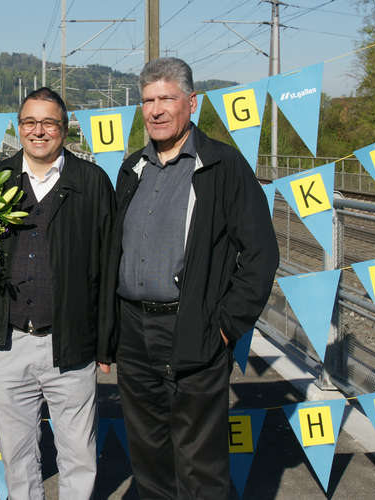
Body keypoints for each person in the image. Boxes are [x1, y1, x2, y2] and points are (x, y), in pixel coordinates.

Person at [110, 57, 279, 499]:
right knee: (148, 456)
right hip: (133, 331)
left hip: (193, 327)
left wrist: (225, 325)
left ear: (192, 103)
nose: (157, 109)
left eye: (167, 98)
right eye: (148, 100)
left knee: (199, 462)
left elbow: (261, 254)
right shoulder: (132, 169)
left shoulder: (222, 166)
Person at [0, 87, 116, 500]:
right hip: (6, 343)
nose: (39, 131)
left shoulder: (91, 182)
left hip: (70, 343)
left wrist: (105, 343)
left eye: (49, 123)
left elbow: (109, 267)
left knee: (78, 456)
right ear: (18, 128)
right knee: (17, 457)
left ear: (65, 127)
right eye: (29, 123)